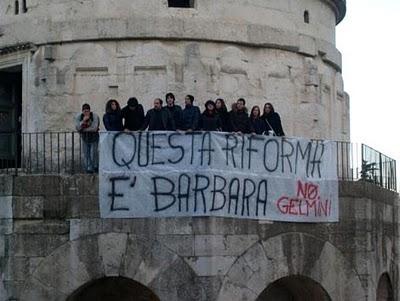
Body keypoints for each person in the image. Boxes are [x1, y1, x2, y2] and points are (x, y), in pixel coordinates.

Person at [74, 103, 100, 173]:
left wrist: (82, 129)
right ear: (82, 111)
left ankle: (95, 167)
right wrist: (83, 121)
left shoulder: (94, 116)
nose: (86, 113)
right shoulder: (79, 117)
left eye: (87, 111)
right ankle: (89, 168)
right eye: (85, 111)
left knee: (93, 153)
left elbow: (94, 128)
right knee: (86, 154)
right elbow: (77, 127)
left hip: (94, 138)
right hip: (85, 138)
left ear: (90, 111)